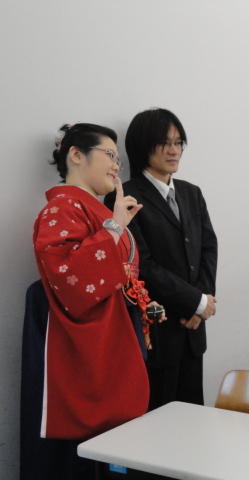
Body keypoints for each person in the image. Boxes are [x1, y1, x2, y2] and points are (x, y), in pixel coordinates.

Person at [31, 123, 164, 477]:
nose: (117, 165)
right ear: (76, 155)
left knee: (120, 442)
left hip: (117, 331)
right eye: (109, 155)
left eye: (118, 159)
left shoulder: (96, 211)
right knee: (94, 451)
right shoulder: (61, 209)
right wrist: (115, 228)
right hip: (92, 340)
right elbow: (69, 278)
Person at [105, 108, 218, 409]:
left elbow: (208, 248)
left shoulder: (192, 193)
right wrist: (195, 301)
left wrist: (202, 303)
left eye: (178, 142)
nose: (173, 150)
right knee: (157, 418)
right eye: (164, 143)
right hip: (156, 331)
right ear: (142, 147)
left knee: (193, 415)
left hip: (193, 328)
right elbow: (142, 264)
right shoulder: (125, 197)